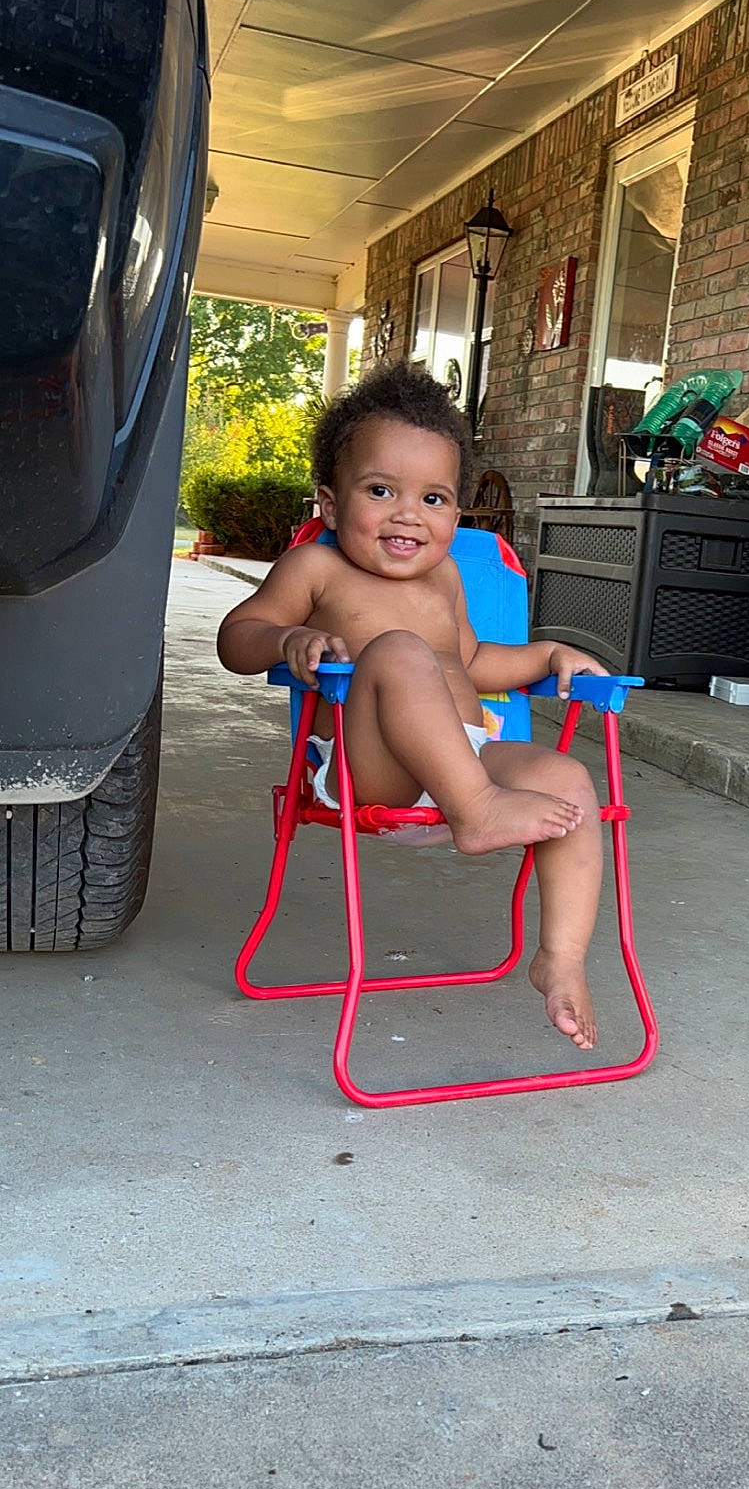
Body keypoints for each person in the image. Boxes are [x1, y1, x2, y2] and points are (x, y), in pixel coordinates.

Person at [217, 361, 610, 1050]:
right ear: (332, 505)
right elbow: (235, 638)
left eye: (434, 499)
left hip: (466, 757)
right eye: (380, 490)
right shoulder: (317, 569)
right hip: (372, 771)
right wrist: (288, 637)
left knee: (571, 783)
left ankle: (561, 959)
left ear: (457, 515)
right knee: (399, 652)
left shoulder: (448, 575)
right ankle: (479, 811)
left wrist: (549, 656)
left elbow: (476, 662)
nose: (408, 514)